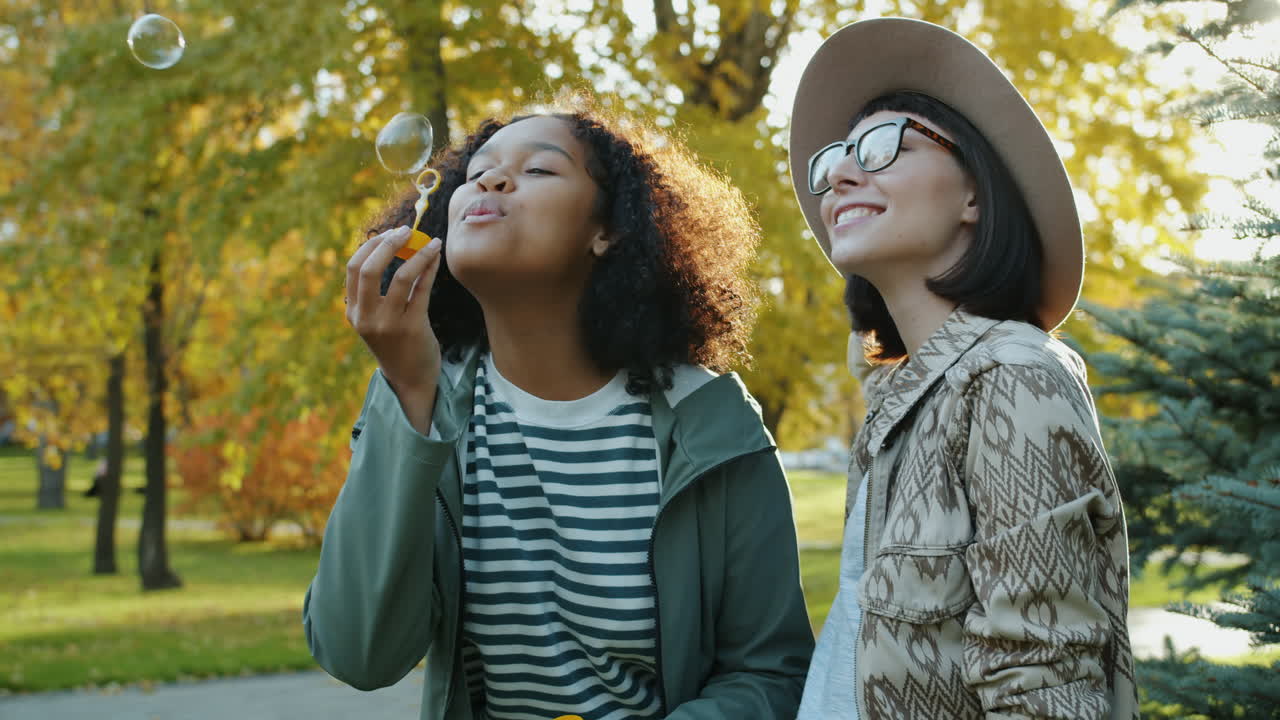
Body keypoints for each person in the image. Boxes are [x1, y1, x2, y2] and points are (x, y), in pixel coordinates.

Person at [303, 96, 814, 720]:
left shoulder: (710, 423)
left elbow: (771, 674)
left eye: (539, 169)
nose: (489, 180)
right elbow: (359, 655)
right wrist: (407, 393)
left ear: (609, 230)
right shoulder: (424, 400)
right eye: (475, 173)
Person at [786, 18, 1138, 719]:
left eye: (885, 146)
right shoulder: (901, 400)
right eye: (836, 159)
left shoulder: (1013, 377)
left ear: (974, 195)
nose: (841, 176)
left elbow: (1046, 690)